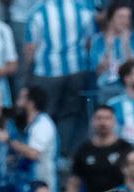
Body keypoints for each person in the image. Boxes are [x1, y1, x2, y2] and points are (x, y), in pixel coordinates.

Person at [23, 0, 94, 157]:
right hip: (76, 69)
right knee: (69, 115)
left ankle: (47, 151)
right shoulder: (82, 8)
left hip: (47, 72)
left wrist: (28, 75)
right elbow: (90, 41)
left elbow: (30, 47)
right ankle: (63, 152)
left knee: (45, 113)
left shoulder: (38, 11)